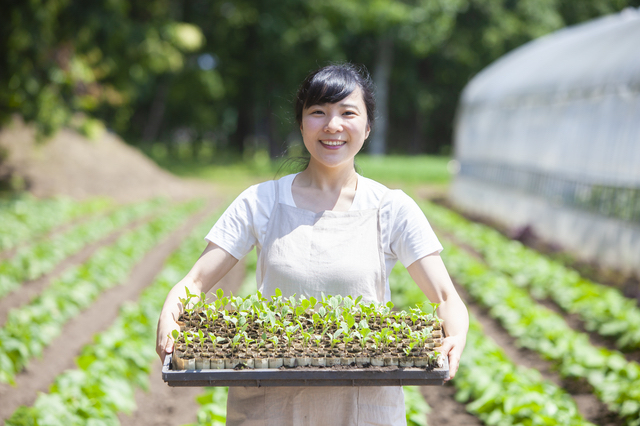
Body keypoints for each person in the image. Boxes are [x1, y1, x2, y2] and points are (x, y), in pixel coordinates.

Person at [156, 63, 469, 426]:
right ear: (302, 124)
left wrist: (455, 337)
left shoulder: (391, 208)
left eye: (347, 113)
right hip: (269, 406)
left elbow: (446, 298)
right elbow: (194, 283)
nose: (332, 126)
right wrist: (170, 314)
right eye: (318, 112)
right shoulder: (261, 201)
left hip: (363, 407)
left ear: (367, 128)